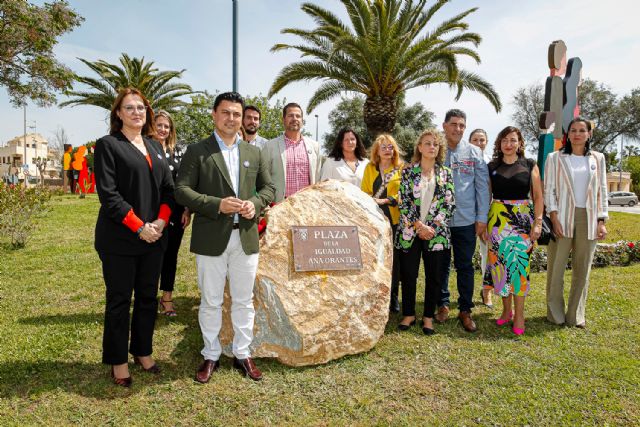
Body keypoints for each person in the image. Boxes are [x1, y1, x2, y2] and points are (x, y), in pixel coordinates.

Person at [175, 92, 275, 382]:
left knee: (244, 300)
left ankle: (243, 353)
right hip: (211, 238)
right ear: (214, 115)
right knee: (211, 300)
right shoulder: (197, 151)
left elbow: (269, 189)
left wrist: (254, 205)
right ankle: (211, 354)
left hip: (245, 238)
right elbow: (181, 190)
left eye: (236, 114)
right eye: (226, 113)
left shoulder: (254, 152)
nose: (231, 118)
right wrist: (215, 204)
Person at [94, 87, 174, 387]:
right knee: (119, 300)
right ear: (118, 113)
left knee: (146, 298)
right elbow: (109, 195)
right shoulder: (108, 145)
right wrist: (140, 226)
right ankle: (117, 360)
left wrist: (161, 222)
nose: (136, 112)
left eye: (140, 107)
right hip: (120, 239)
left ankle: (143, 351)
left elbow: (169, 189)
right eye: (129, 108)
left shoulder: (155, 147)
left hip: (155, 237)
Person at [544, 117, 608, 328]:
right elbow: (549, 189)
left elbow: (602, 191)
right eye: (573, 130)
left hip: (588, 219)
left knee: (582, 270)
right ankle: (555, 315)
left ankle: (575, 316)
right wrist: (553, 217)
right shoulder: (555, 158)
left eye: (582, 130)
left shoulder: (598, 159)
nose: (577, 134)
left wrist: (601, 220)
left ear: (589, 134)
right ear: (567, 134)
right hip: (561, 217)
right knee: (556, 268)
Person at [482, 126, 543, 335]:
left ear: (519, 143)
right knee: (500, 268)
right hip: (497, 220)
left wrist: (538, 222)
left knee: (519, 268)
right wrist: (482, 222)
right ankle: (506, 311)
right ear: (499, 144)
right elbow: (486, 196)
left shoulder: (530, 165)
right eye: (504, 140)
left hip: (522, 220)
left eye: (513, 140)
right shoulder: (491, 166)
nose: (509, 144)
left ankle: (519, 316)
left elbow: (538, 196)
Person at [395, 129, 455, 334]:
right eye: (427, 143)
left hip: (436, 234)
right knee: (409, 275)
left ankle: (428, 317)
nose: (432, 147)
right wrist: (418, 225)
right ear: (419, 147)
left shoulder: (446, 173)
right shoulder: (407, 171)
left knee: (435, 276)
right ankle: (409, 314)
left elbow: (449, 203)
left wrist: (432, 227)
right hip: (410, 232)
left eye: (435, 144)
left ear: (439, 149)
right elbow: (403, 201)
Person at [437, 109, 490, 332]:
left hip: (467, 220)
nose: (458, 129)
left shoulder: (474, 152)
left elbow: (481, 187)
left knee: (465, 266)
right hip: (439, 221)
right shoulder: (435, 149)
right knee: (440, 266)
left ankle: (465, 309)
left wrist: (481, 218)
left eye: (461, 125)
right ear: (444, 126)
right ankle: (442, 304)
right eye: (454, 124)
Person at [154, 110, 191, 317]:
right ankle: (148, 296)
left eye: (166, 126)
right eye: (159, 125)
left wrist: (187, 208)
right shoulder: (143, 148)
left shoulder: (177, 151)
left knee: (170, 255)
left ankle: (167, 298)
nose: (163, 129)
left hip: (176, 211)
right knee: (152, 256)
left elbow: (183, 182)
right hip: (151, 211)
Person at [361, 134, 403, 312]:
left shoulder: (400, 168)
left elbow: (405, 193)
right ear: (376, 151)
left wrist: (388, 200)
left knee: (395, 261)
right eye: (384, 147)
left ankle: (393, 296)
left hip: (394, 219)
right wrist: (373, 201)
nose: (388, 150)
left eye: (390, 147)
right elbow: (364, 192)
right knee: (376, 258)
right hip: (375, 220)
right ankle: (376, 296)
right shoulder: (370, 168)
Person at [263, 102, 322, 202]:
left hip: (307, 205)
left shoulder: (314, 146)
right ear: (283, 120)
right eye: (290, 115)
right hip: (280, 205)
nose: (295, 119)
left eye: (298, 116)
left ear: (302, 121)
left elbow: (318, 178)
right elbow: (264, 179)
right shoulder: (270, 146)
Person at [469, 128, 493, 308]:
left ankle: (487, 291)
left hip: (487, 215)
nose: (478, 143)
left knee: (488, 255)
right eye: (475, 140)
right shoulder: (463, 160)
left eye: (482, 140)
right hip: (466, 214)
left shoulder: (491, 163)